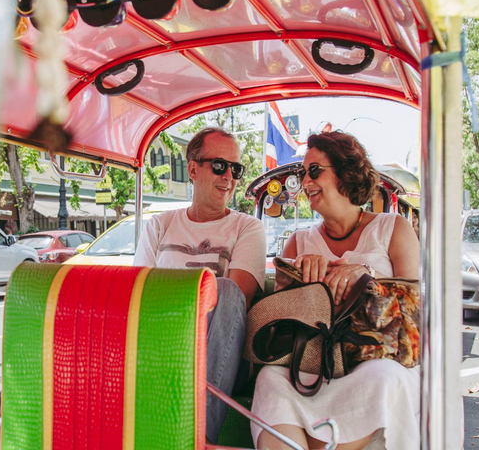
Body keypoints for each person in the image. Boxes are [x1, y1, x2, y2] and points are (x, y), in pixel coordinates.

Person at [251, 131, 420, 450]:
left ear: (346, 172)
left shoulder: (392, 229)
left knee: (383, 377)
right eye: (302, 174)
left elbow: (416, 309)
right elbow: (280, 319)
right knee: (270, 380)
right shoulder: (299, 242)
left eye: (314, 170)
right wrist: (296, 284)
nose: (305, 182)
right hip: (316, 363)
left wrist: (366, 276)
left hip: (376, 360)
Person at [133, 127, 266, 444]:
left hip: (213, 348)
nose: (229, 177)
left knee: (227, 290)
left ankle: (194, 434)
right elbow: (137, 293)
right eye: (220, 166)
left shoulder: (247, 228)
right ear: (192, 169)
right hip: (158, 339)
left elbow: (236, 302)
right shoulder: (160, 225)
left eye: (236, 169)